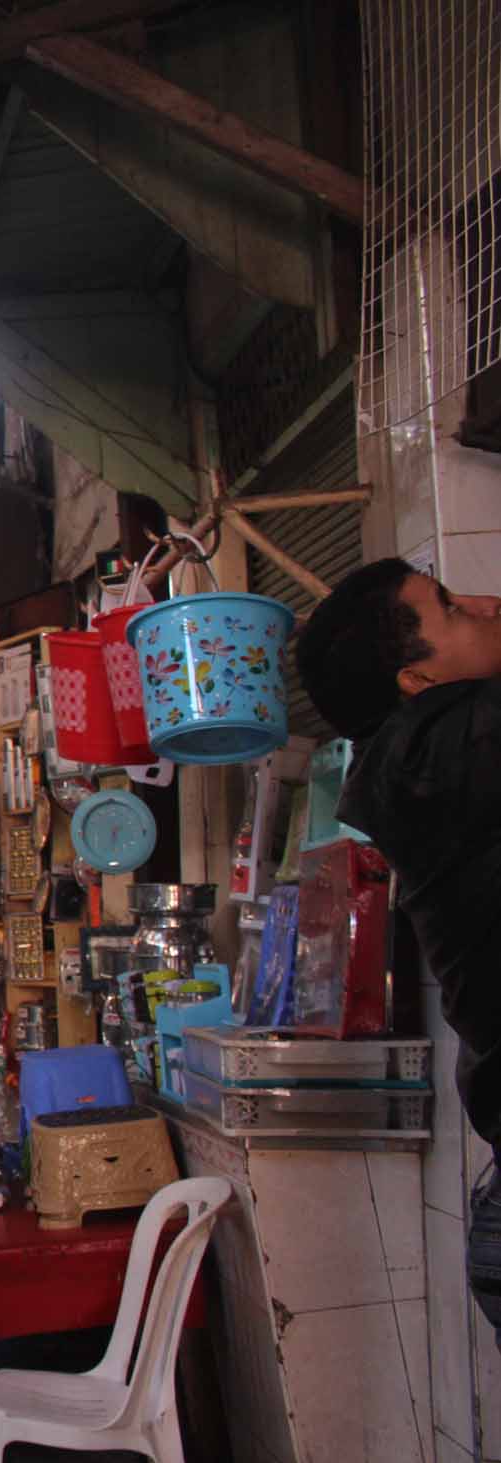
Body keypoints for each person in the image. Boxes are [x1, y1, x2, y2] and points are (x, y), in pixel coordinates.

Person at [297, 557, 501, 1342]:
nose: (485, 603)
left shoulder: (428, 755)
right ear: (416, 681)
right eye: (453, 607)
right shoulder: (440, 754)